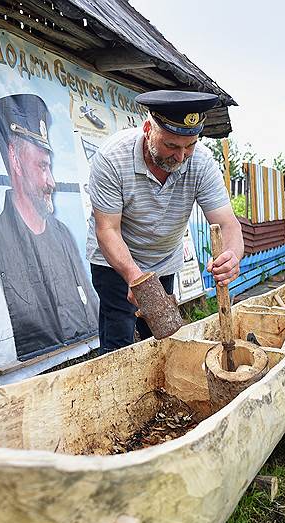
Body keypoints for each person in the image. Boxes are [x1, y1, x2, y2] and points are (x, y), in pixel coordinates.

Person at [86, 90, 244, 354]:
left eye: (190, 145)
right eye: (171, 146)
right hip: (114, 261)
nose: (181, 157)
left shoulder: (202, 164)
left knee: (161, 339)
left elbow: (228, 224)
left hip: (162, 261)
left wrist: (231, 256)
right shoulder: (112, 158)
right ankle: (121, 390)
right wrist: (135, 278)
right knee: (119, 341)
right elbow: (107, 230)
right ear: (148, 129)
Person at [0, 94, 99, 360]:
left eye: (50, 167)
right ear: (15, 160)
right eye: (42, 167)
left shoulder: (63, 236)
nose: (52, 182)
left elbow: (92, 310)